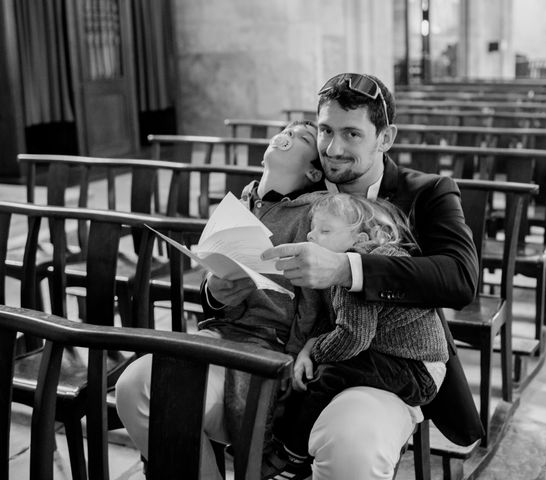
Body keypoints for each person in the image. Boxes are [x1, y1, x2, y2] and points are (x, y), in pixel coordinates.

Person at [259, 73, 482, 479]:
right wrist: (215, 291)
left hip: (390, 360)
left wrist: (348, 268)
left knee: (351, 442)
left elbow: (459, 278)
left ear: (385, 137)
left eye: (352, 134)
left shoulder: (428, 192)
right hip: (281, 348)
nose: (332, 148)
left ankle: (289, 454)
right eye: (325, 130)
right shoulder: (294, 187)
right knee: (150, 385)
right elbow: (239, 269)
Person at [115, 119, 329, 480]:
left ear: (312, 171)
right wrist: (214, 292)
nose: (287, 136)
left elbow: (319, 303)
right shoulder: (242, 200)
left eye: (301, 137)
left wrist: (297, 354)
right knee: (133, 385)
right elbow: (210, 291)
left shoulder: (318, 213)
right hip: (222, 333)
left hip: (272, 347)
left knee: (160, 397)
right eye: (287, 131)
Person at [270, 193, 449, 473]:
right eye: (313, 228)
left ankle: (292, 454)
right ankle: (285, 442)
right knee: (325, 371)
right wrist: (310, 346)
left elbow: (353, 338)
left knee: (327, 375)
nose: (311, 235)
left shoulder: (358, 266)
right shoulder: (340, 266)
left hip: (416, 368)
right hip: (395, 358)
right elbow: (335, 320)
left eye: (325, 230)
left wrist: (316, 353)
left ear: (361, 237)